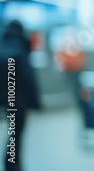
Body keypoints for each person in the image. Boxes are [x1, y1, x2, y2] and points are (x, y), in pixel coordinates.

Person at [0, 20, 41, 171]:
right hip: (19, 101)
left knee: (12, 132)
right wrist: (35, 101)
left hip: (5, 100)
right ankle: (12, 163)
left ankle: (10, 162)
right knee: (16, 133)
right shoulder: (21, 47)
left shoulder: (2, 46)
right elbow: (27, 76)